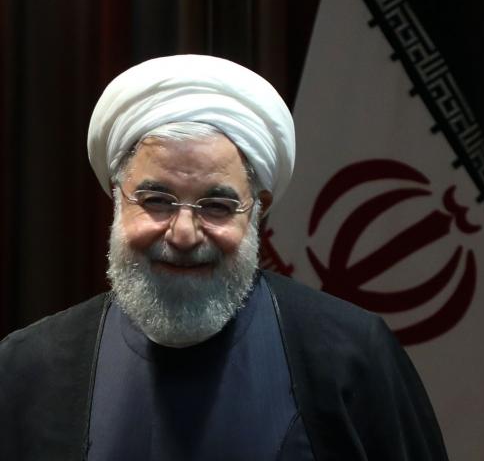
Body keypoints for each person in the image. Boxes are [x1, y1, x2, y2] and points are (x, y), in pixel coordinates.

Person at [0, 55, 447, 460]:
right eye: (156, 201)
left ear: (258, 211)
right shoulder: (29, 368)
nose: (183, 234)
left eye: (216, 206)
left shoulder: (352, 357)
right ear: (117, 200)